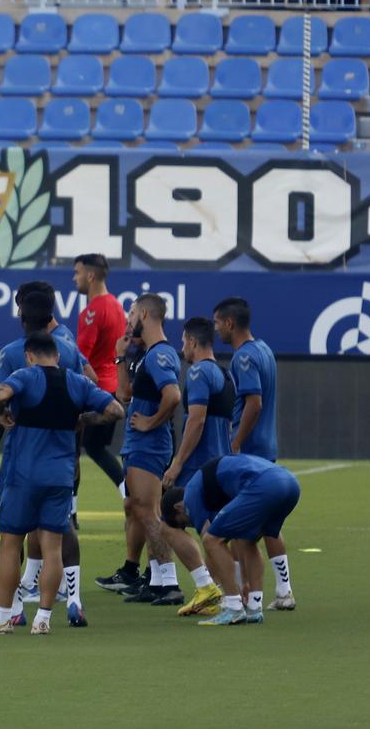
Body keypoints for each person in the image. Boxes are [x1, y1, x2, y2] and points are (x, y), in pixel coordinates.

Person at [0, 332, 123, 635]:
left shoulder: (25, 377)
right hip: (60, 476)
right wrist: (84, 419)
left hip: (23, 474)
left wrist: (3, 414)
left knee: (10, 544)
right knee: (52, 547)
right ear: (57, 356)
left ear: (29, 356)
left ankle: (4, 617)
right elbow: (115, 411)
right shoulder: (77, 382)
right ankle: (43, 618)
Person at [0, 283, 79, 618]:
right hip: (61, 460)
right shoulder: (69, 350)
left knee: (11, 537)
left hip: (21, 460)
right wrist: (75, 456)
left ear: (21, 314)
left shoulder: (12, 353)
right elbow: (83, 406)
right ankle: (56, 610)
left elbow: (0, 407)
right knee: (55, 534)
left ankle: (10, 609)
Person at [216, 296, 295, 611]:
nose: (216, 328)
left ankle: (243, 593)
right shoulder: (264, 349)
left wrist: (235, 442)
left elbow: (254, 402)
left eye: (218, 322)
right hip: (267, 448)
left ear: (230, 323)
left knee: (238, 524)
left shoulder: (244, 357)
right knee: (269, 524)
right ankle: (284, 591)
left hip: (250, 452)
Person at [160, 453, 302, 627]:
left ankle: (233, 607)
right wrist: (244, 583)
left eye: (183, 522)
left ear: (178, 508)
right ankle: (255, 607)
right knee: (248, 540)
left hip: (266, 485)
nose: (190, 523)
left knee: (211, 540)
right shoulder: (217, 492)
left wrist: (230, 587)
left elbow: (210, 540)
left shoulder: (190, 495)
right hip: (290, 483)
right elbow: (237, 539)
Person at [162, 317, 236, 618]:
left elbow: (197, 419)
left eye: (183, 342)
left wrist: (176, 464)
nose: (182, 348)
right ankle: (225, 594)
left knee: (166, 519)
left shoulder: (198, 373)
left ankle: (209, 588)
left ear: (192, 341)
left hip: (200, 469)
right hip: (222, 464)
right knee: (215, 531)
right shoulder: (225, 374)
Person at [120, 293, 185, 606]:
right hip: (139, 444)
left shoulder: (160, 354)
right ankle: (158, 581)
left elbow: (172, 395)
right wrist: (120, 359)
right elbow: (124, 394)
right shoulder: (147, 354)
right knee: (139, 508)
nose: (129, 319)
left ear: (144, 314)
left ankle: (170, 582)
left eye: (132, 313)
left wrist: (150, 422)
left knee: (149, 511)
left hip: (149, 444)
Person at [73, 254, 128, 493]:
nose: (74, 278)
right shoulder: (117, 306)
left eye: (77, 272)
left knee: (73, 449)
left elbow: (80, 359)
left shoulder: (91, 313)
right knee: (94, 447)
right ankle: (128, 491)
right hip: (114, 389)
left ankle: (69, 512)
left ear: (90, 275)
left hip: (93, 391)